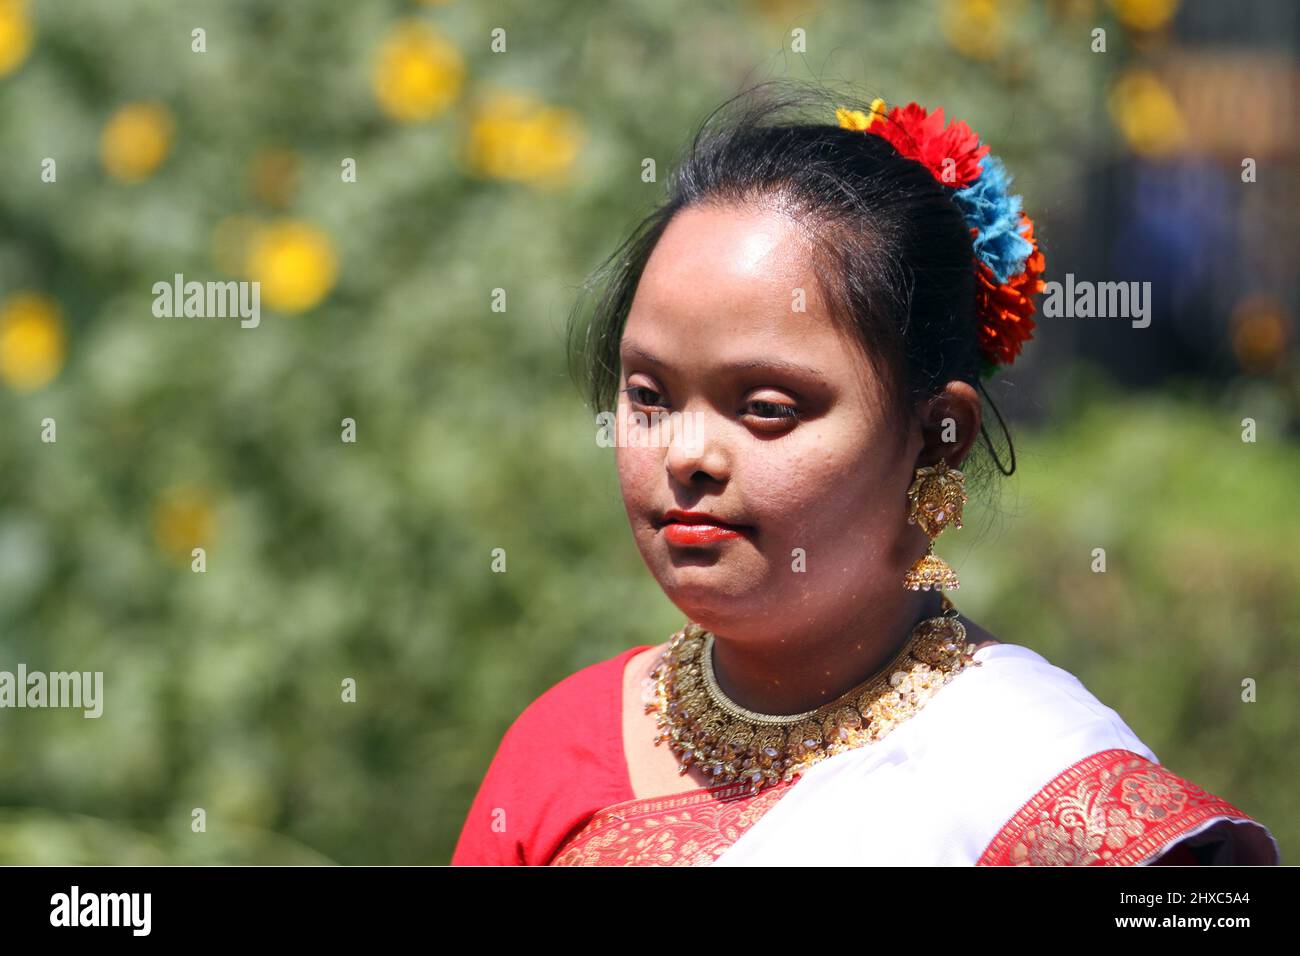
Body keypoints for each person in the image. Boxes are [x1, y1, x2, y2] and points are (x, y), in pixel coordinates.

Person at [450, 81, 1281, 866]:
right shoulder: (563, 744)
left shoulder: (1038, 778)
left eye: (768, 407)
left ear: (938, 437)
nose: (687, 454)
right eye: (649, 397)